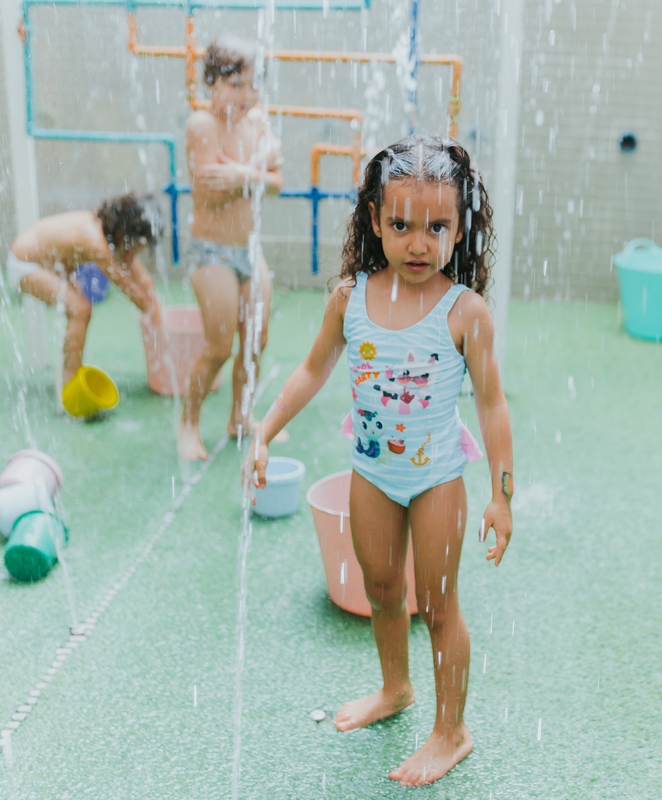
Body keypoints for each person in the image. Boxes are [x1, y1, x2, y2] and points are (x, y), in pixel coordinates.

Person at [244, 135, 514, 787]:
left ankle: (452, 732)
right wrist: (264, 429)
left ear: (460, 227)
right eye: (401, 224)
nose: (418, 243)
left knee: (440, 607)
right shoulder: (350, 299)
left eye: (436, 226)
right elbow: (312, 371)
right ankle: (397, 689)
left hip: (436, 480)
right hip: (372, 473)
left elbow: (493, 407)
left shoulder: (465, 312)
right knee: (383, 589)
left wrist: (501, 495)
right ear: (374, 221)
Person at [179, 33, 287, 460]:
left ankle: (241, 416)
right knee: (220, 347)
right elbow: (213, 190)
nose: (246, 95)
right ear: (211, 84)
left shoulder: (257, 122)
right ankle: (188, 423)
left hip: (249, 249)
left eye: (252, 84)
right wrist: (258, 167)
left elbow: (278, 184)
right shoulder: (202, 125)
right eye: (236, 84)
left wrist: (244, 172)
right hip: (212, 252)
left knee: (256, 340)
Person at [7, 193, 165, 385]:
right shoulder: (95, 240)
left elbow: (143, 278)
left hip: (51, 264)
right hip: (25, 263)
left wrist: (159, 313)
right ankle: (70, 383)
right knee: (80, 310)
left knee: (81, 310)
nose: (136, 251)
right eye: (136, 244)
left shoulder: (112, 232)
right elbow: (128, 287)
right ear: (126, 230)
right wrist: (161, 324)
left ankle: (67, 374)